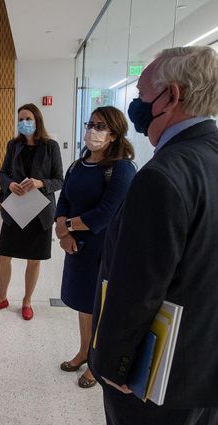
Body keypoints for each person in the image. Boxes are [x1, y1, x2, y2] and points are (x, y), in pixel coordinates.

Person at [89, 46, 218, 425]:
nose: (136, 103)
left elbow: (139, 284)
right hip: (213, 359)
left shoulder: (162, 175)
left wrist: (113, 365)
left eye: (143, 93)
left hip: (160, 374)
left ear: (172, 96)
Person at [55, 106, 135, 389]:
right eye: (90, 124)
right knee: (84, 306)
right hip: (76, 248)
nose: (92, 130)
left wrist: (68, 227)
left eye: (100, 126)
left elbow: (106, 213)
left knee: (101, 307)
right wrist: (63, 231)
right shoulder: (78, 165)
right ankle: (84, 352)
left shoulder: (122, 168)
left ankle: (97, 364)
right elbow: (63, 199)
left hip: (104, 249)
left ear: (113, 133)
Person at [0, 103, 63, 320]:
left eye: (28, 118)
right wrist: (9, 185)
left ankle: (27, 301)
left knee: (33, 259)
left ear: (37, 120)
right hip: (16, 209)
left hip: (39, 211)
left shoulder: (50, 147)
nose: (23, 123)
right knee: (3, 256)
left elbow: (58, 180)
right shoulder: (14, 144)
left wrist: (40, 183)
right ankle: (1, 298)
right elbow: (2, 173)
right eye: (20, 119)